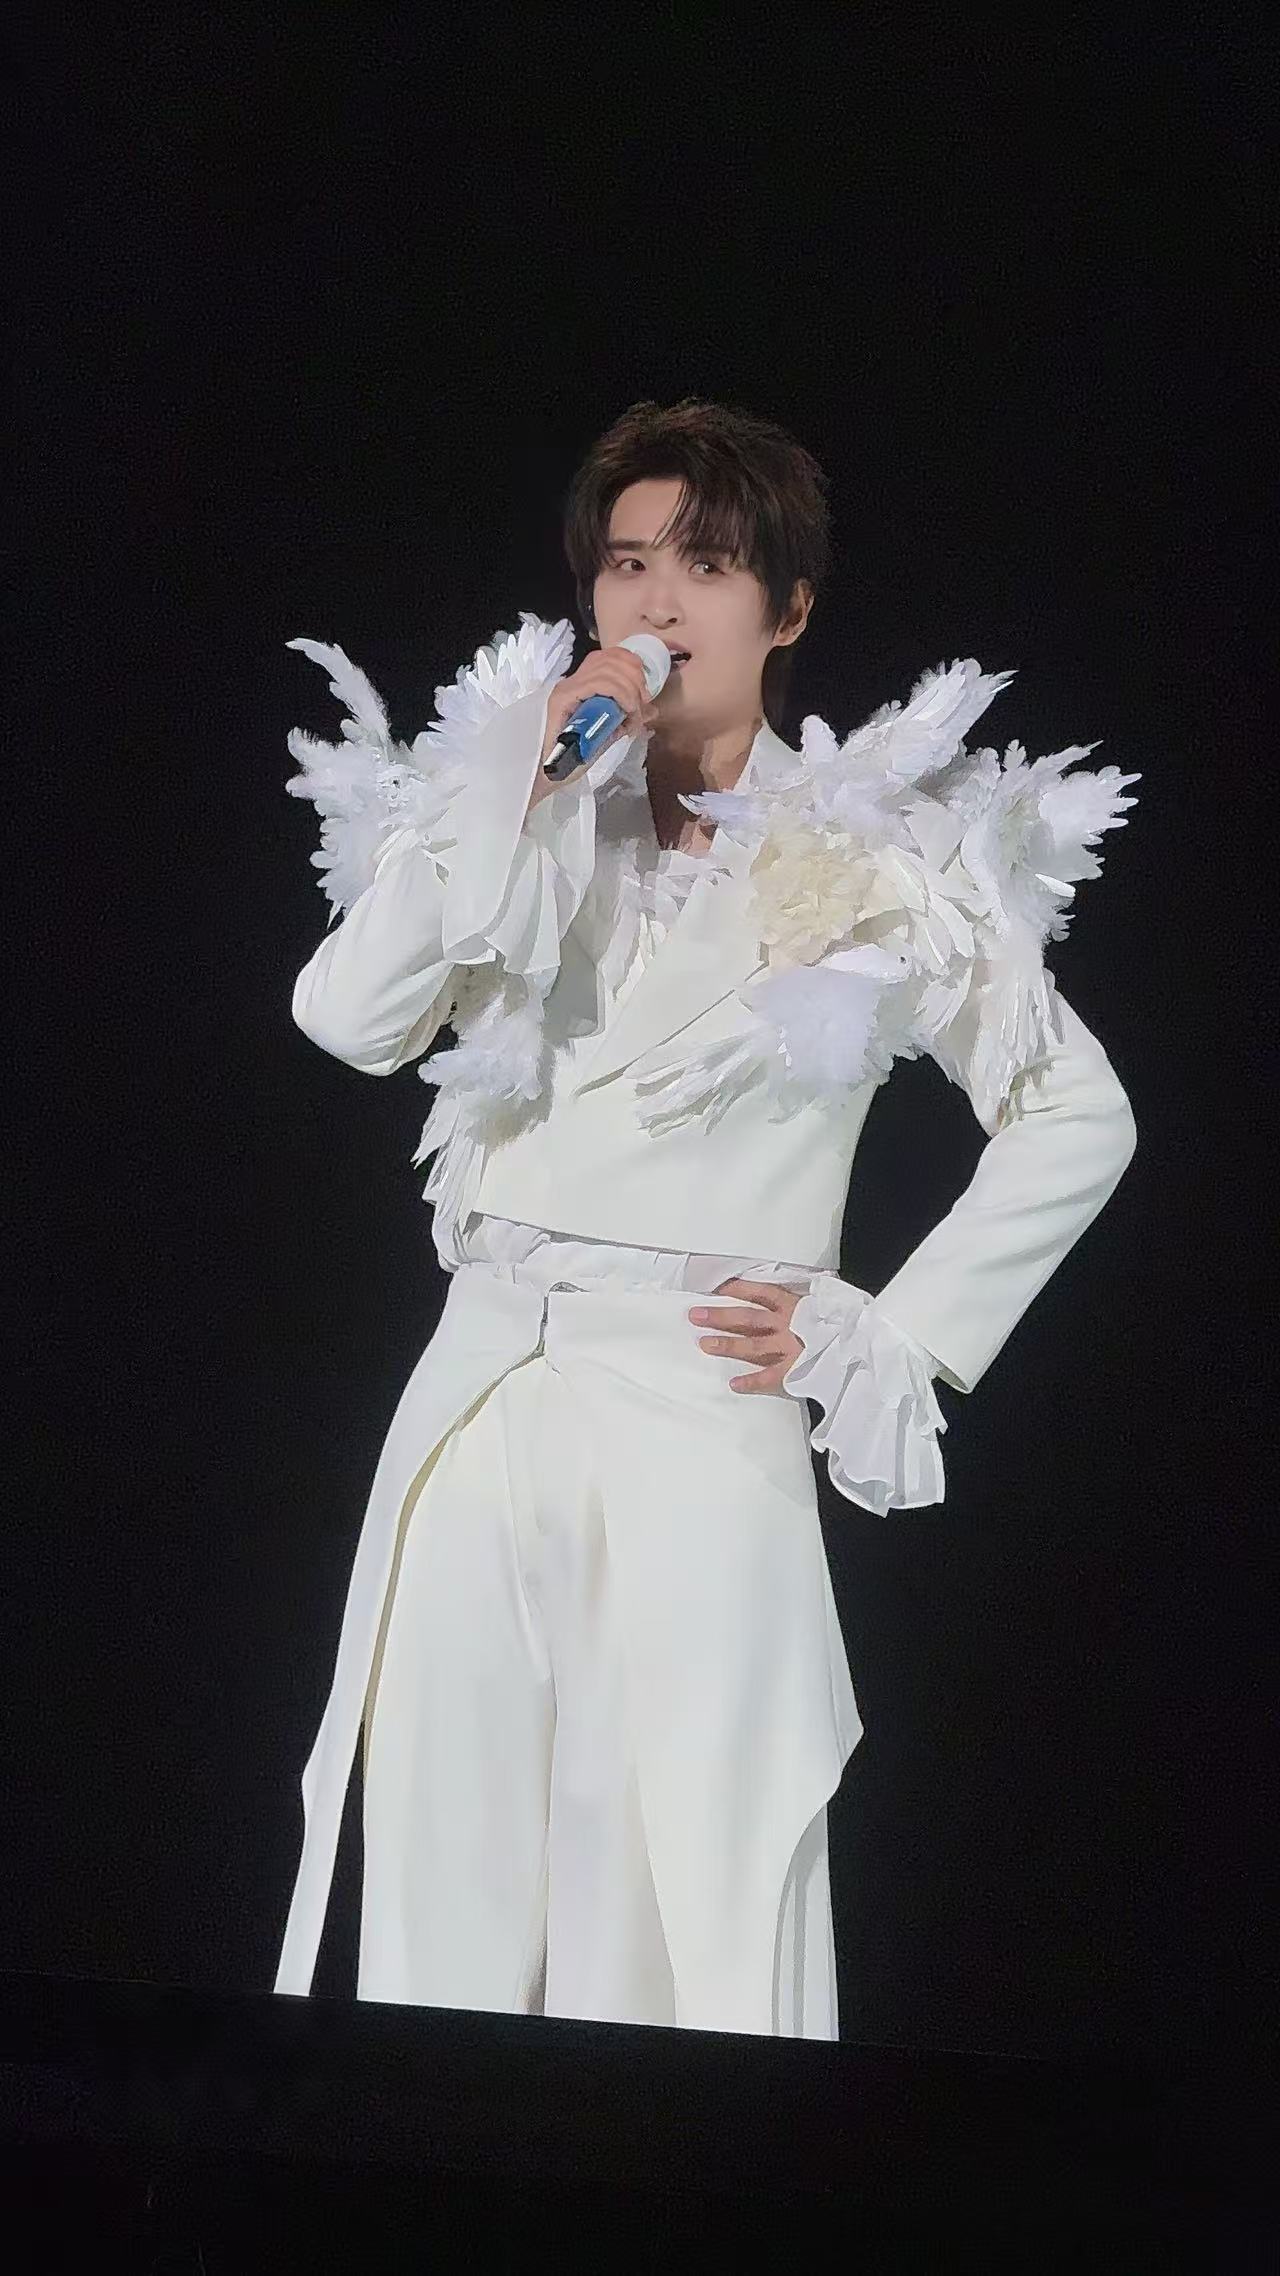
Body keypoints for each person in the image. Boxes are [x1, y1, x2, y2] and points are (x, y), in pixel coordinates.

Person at [273, 397, 1139, 2039]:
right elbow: (346, 1017)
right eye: (626, 566)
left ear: (787, 609)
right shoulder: (516, 811)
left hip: (694, 1408)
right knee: (443, 1911)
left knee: (670, 1911)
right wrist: (518, 787)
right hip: (482, 1394)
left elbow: (1075, 1112)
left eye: (708, 567)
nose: (657, 604)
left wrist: (892, 1332)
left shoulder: (876, 857)